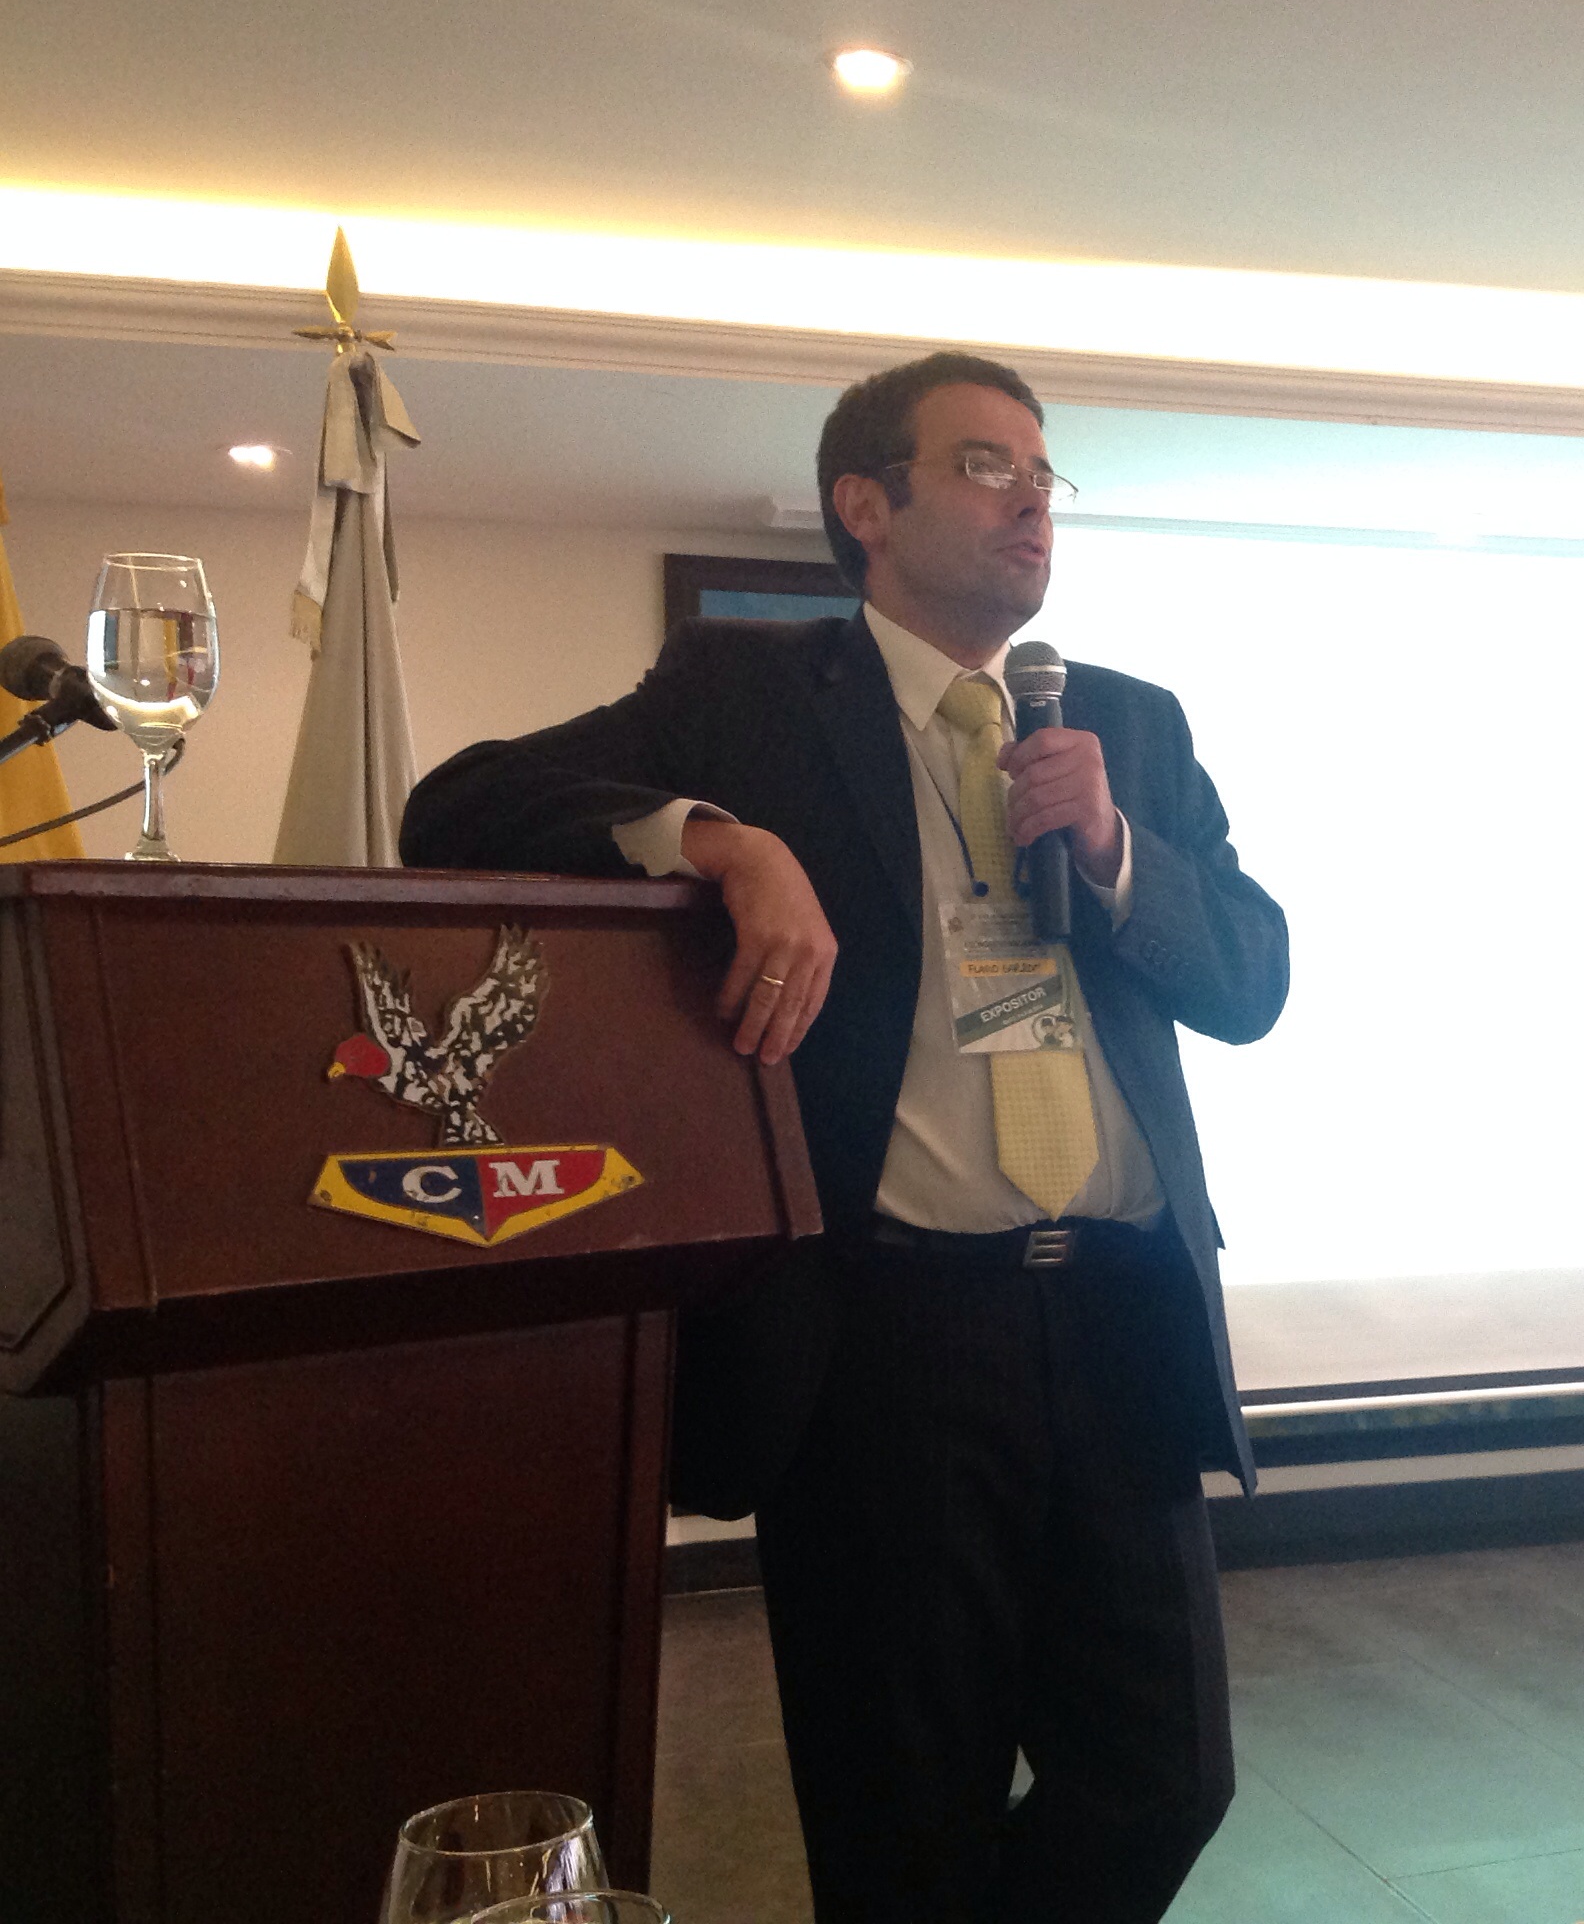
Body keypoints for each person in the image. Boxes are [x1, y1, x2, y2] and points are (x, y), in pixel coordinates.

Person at [400, 351, 1289, 1921]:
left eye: (1044, 472)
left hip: (1120, 1319)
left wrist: (1113, 846)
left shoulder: (1128, 727)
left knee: (1167, 1777)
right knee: (903, 1815)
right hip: (887, 1344)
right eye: (986, 466)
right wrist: (720, 842)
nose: (1033, 501)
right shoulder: (749, 697)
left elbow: (1251, 983)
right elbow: (459, 806)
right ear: (863, 506)